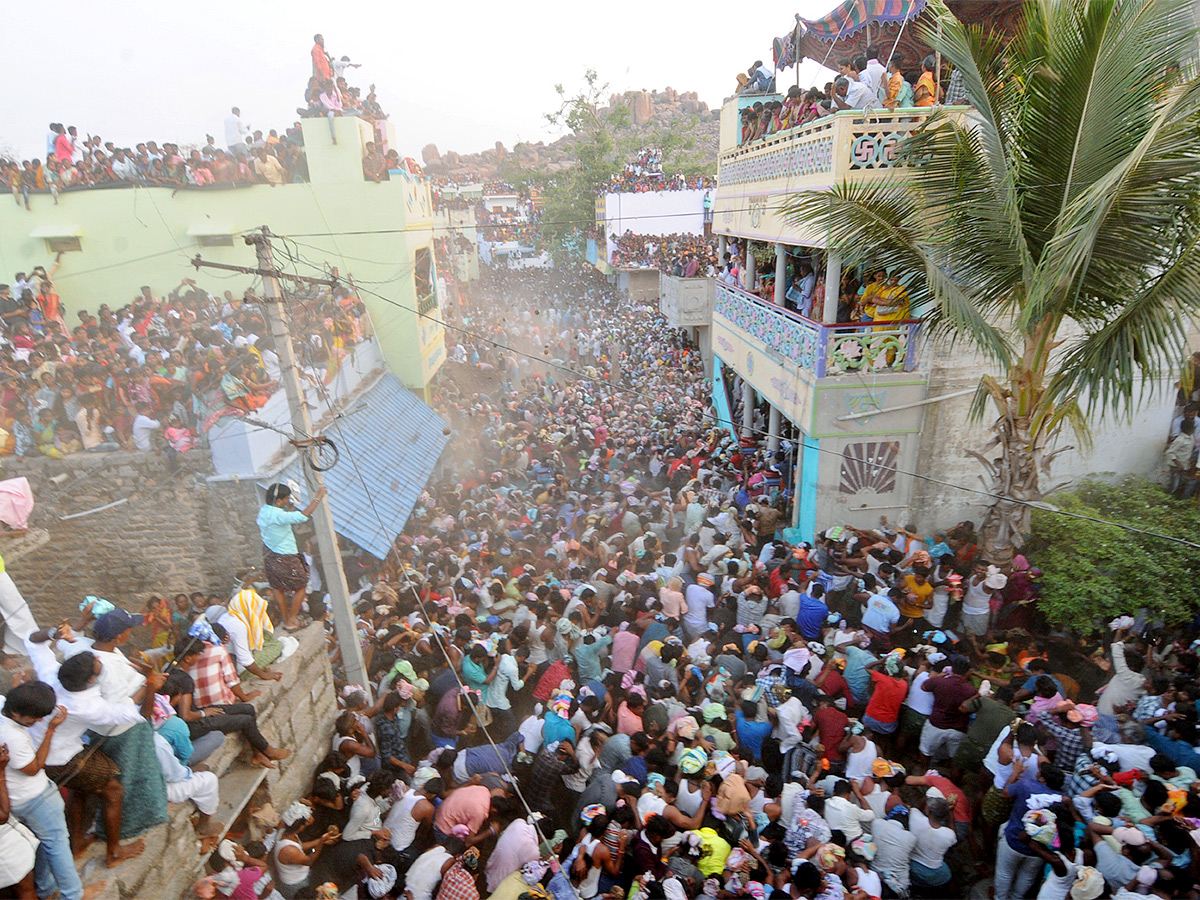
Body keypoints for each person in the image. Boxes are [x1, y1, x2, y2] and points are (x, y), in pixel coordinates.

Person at [258, 483, 328, 630]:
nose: (288, 500)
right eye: (286, 498)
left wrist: (287, 509)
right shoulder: (278, 515)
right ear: (278, 501)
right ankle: (292, 618)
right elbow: (303, 516)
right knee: (301, 585)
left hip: (270, 554)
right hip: (285, 556)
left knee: (278, 588)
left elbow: (280, 519)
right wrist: (318, 497)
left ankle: (285, 619)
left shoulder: (265, 511)